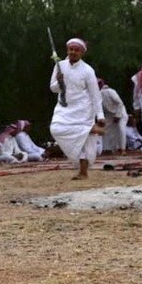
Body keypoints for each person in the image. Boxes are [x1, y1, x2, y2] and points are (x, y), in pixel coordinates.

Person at [49, 37, 105, 180]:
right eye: (71, 49)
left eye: (76, 50)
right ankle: (90, 129)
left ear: (81, 53)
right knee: (56, 128)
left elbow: (95, 94)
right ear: (67, 50)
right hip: (64, 107)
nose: (73, 52)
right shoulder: (59, 65)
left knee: (85, 143)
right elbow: (53, 88)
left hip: (83, 109)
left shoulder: (87, 70)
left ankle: (83, 172)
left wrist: (100, 116)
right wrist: (60, 82)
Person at [98, 79, 129, 156]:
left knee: (121, 129)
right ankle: (107, 149)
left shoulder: (110, 91)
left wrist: (117, 116)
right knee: (106, 130)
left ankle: (123, 149)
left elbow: (120, 103)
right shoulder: (98, 94)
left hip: (120, 112)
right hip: (109, 115)